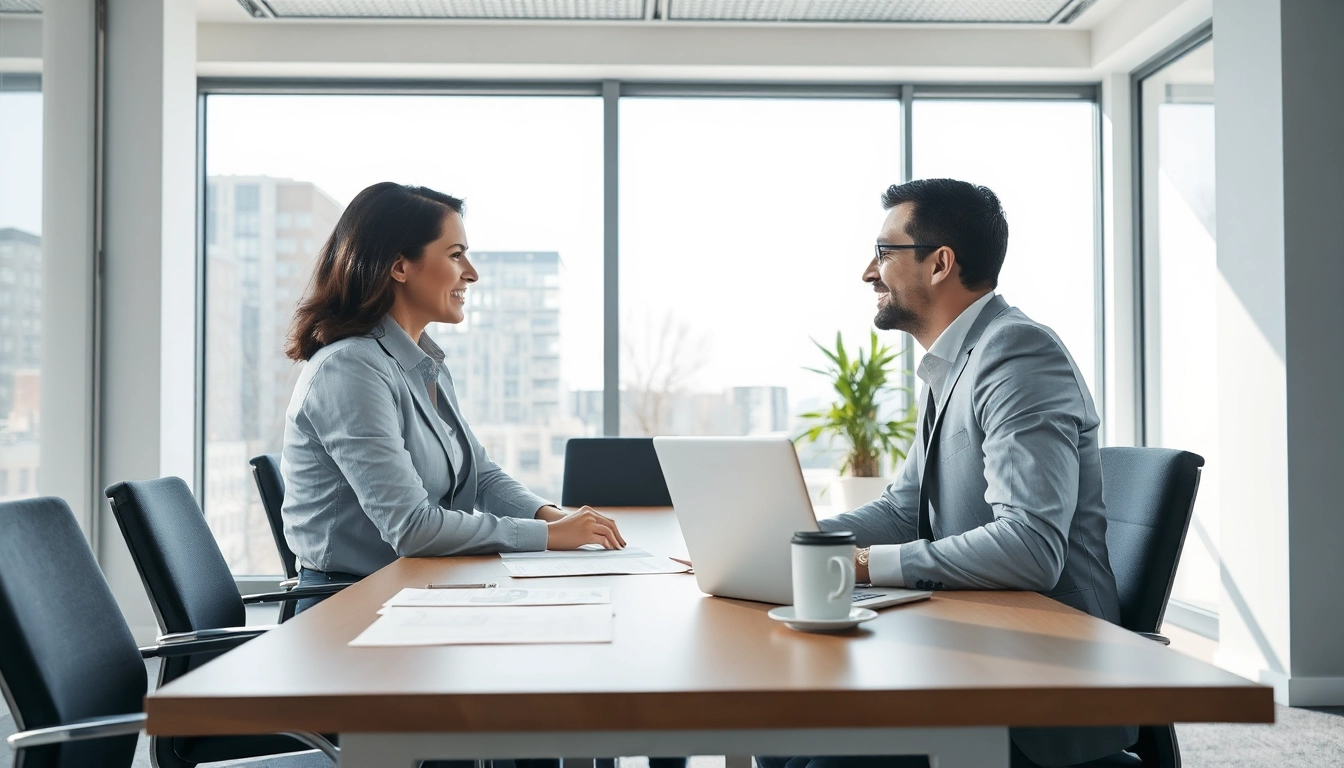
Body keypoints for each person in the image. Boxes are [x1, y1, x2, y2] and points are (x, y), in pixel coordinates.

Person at [760, 179, 1135, 768]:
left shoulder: (1017, 354)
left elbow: (1031, 546)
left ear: (940, 264)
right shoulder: (953, 361)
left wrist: (861, 564)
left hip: (1044, 682)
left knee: (819, 756)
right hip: (973, 645)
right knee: (784, 734)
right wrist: (793, 542)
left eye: (884, 252)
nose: (868, 272)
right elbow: (901, 509)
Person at [280, 181, 626, 612]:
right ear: (399, 266)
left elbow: (479, 474)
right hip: (348, 608)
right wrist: (549, 538)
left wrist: (548, 515)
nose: (472, 273)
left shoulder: (425, 364)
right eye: (455, 254)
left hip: (413, 590)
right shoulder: (350, 368)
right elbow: (413, 528)